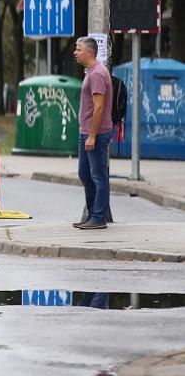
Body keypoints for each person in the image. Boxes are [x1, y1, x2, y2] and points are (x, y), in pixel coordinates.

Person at [74, 35, 113, 230]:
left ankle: (99, 217)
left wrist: (92, 135)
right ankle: (92, 214)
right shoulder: (91, 71)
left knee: (98, 176)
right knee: (85, 174)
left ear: (89, 52)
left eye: (78, 49)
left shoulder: (97, 74)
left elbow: (99, 108)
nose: (75, 52)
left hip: (95, 134)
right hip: (86, 132)